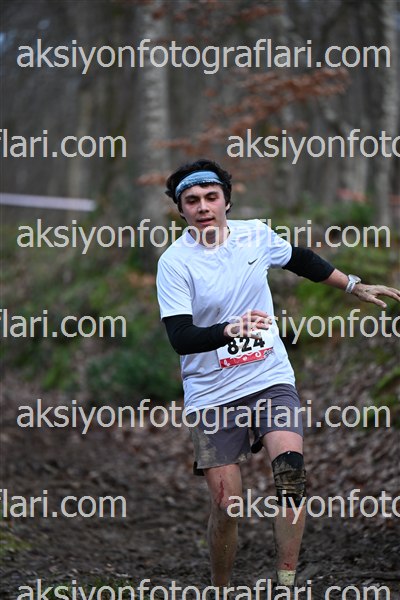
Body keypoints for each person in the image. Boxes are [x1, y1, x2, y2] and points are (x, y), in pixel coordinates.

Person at [156, 159, 400, 593]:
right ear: (181, 210)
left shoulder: (255, 234)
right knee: (227, 506)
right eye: (192, 201)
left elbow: (301, 260)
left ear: (227, 201)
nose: (203, 207)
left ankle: (285, 585)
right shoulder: (175, 263)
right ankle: (220, 588)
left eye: (211, 197)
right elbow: (180, 337)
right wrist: (228, 330)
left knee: (291, 478)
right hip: (211, 393)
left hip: (268, 376)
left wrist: (352, 286)